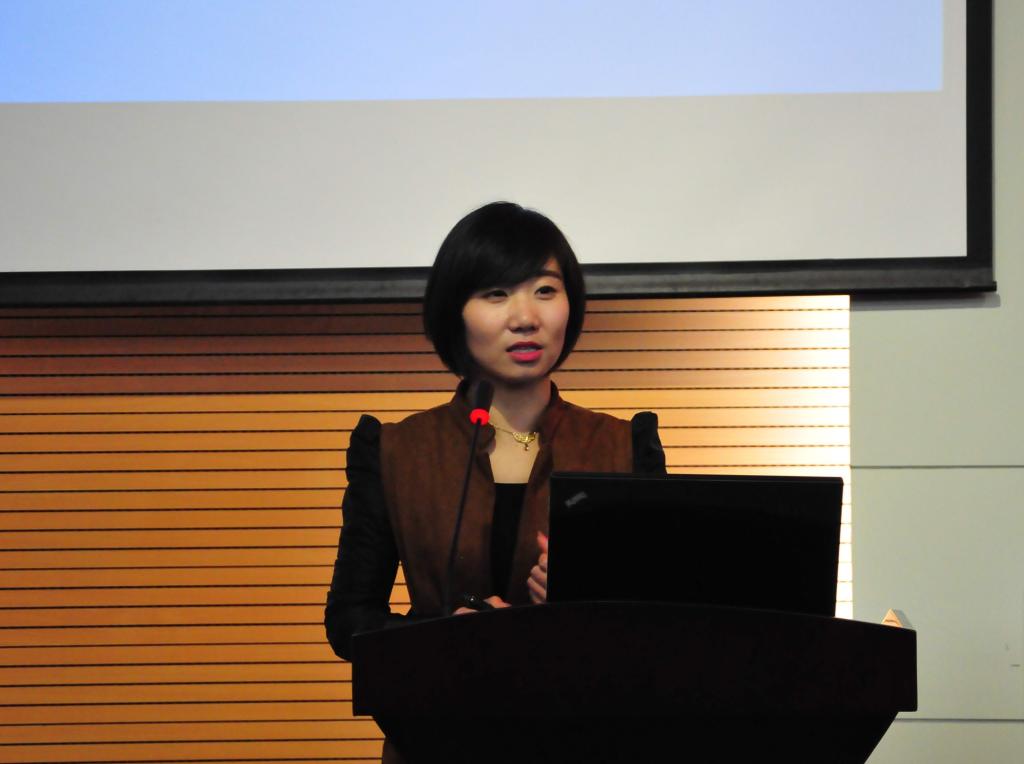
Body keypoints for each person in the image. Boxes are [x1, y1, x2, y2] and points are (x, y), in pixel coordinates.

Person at [324, 200, 666, 660]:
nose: (525, 318)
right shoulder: (395, 450)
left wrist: (589, 596)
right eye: (496, 294)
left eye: (545, 290)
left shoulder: (624, 446)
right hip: (443, 703)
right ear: (455, 311)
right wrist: (442, 634)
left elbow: (666, 619)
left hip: (583, 702)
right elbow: (350, 621)